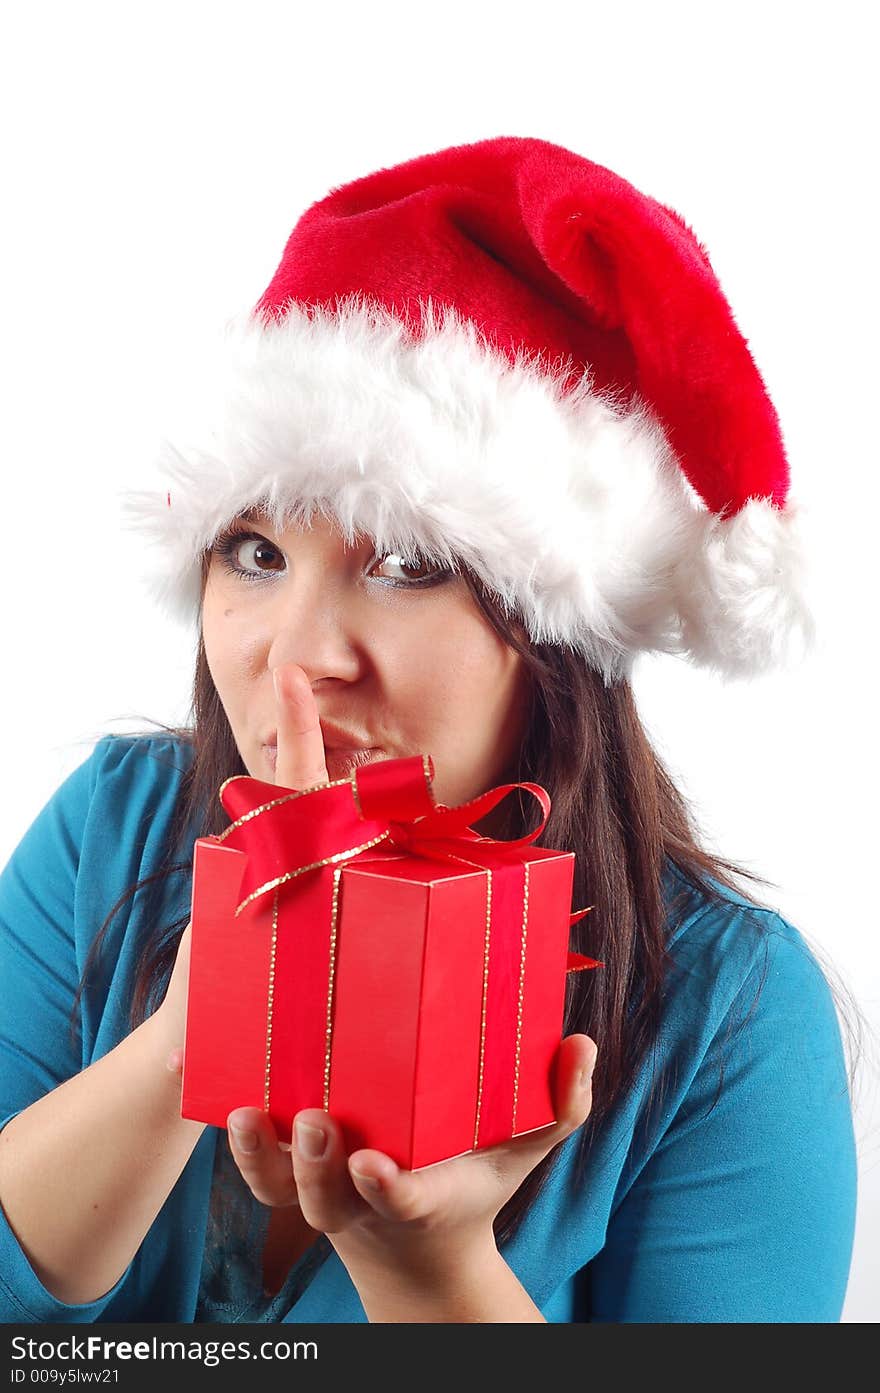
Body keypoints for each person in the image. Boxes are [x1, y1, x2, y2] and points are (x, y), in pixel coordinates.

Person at [0, 135, 858, 1324]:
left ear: (557, 638)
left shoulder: (728, 1016)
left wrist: (428, 1262)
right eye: (256, 552)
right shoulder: (114, 828)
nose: (295, 652)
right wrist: (178, 1048)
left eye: (404, 566)